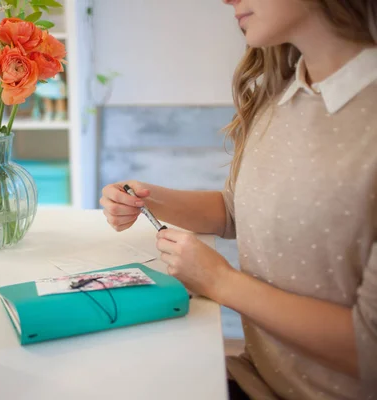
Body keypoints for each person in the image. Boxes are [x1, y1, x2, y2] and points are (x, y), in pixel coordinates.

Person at [99, 1, 377, 399]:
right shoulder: (282, 97)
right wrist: (148, 197)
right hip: (254, 378)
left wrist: (219, 281)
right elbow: (237, 209)